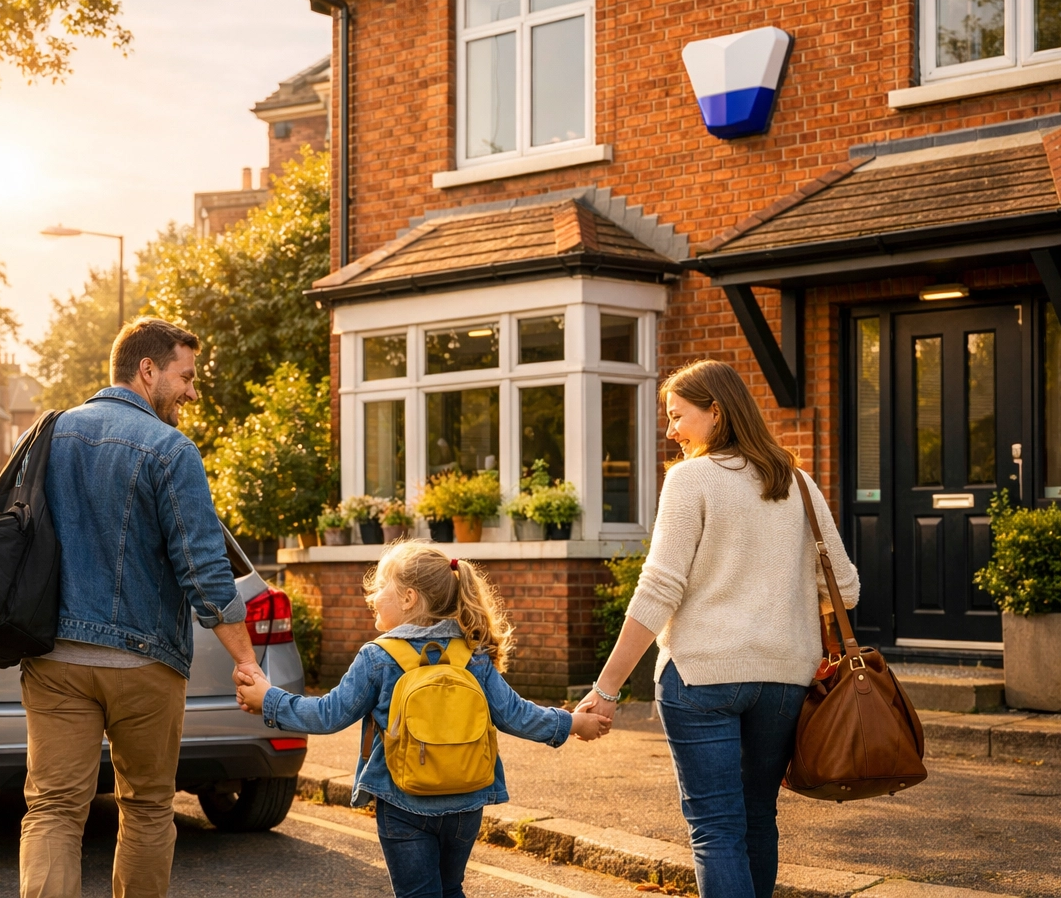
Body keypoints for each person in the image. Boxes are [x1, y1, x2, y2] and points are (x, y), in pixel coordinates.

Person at [576, 359, 859, 898]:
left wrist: (605, 689)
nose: (670, 431)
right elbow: (844, 589)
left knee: (716, 830)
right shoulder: (797, 482)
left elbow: (659, 590)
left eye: (678, 416)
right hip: (783, 680)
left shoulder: (691, 479)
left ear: (716, 412)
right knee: (757, 817)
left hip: (700, 677)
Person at [18, 317, 260, 898]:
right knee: (148, 806)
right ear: (147, 370)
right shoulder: (171, 450)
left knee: (52, 809)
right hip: (144, 663)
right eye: (186, 376)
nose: (193, 392)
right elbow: (204, 570)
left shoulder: (47, 436)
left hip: (55, 659)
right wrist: (247, 662)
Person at [235, 541, 611, 898]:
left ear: (409, 598)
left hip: (403, 803)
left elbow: (327, 716)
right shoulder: (472, 655)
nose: (372, 596)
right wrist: (573, 722)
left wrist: (269, 700)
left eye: (381, 586)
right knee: (451, 891)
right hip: (467, 802)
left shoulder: (377, 658)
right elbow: (516, 715)